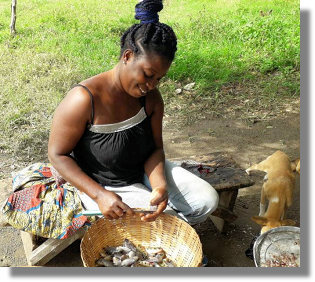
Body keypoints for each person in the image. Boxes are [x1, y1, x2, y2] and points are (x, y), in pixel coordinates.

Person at [2, 1, 218, 239]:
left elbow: (155, 149)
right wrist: (99, 196)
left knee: (206, 200)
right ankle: (163, 229)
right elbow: (57, 155)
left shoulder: (152, 99)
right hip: (103, 183)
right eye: (147, 75)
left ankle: (164, 226)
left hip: (143, 171)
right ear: (127, 56)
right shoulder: (84, 99)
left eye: (159, 79)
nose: (152, 85)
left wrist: (159, 185)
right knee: (163, 223)